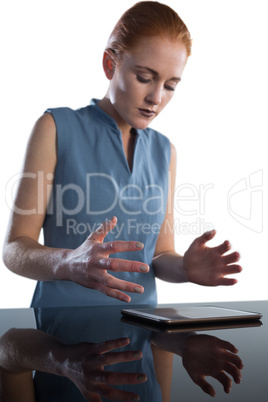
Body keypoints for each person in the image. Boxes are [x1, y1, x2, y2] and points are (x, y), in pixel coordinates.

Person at [2, 1, 242, 307]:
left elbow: (159, 255)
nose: (156, 98)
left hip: (145, 338)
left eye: (170, 85)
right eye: (144, 78)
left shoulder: (165, 150)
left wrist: (184, 268)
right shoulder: (55, 128)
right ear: (109, 64)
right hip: (63, 340)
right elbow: (14, 250)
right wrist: (67, 262)